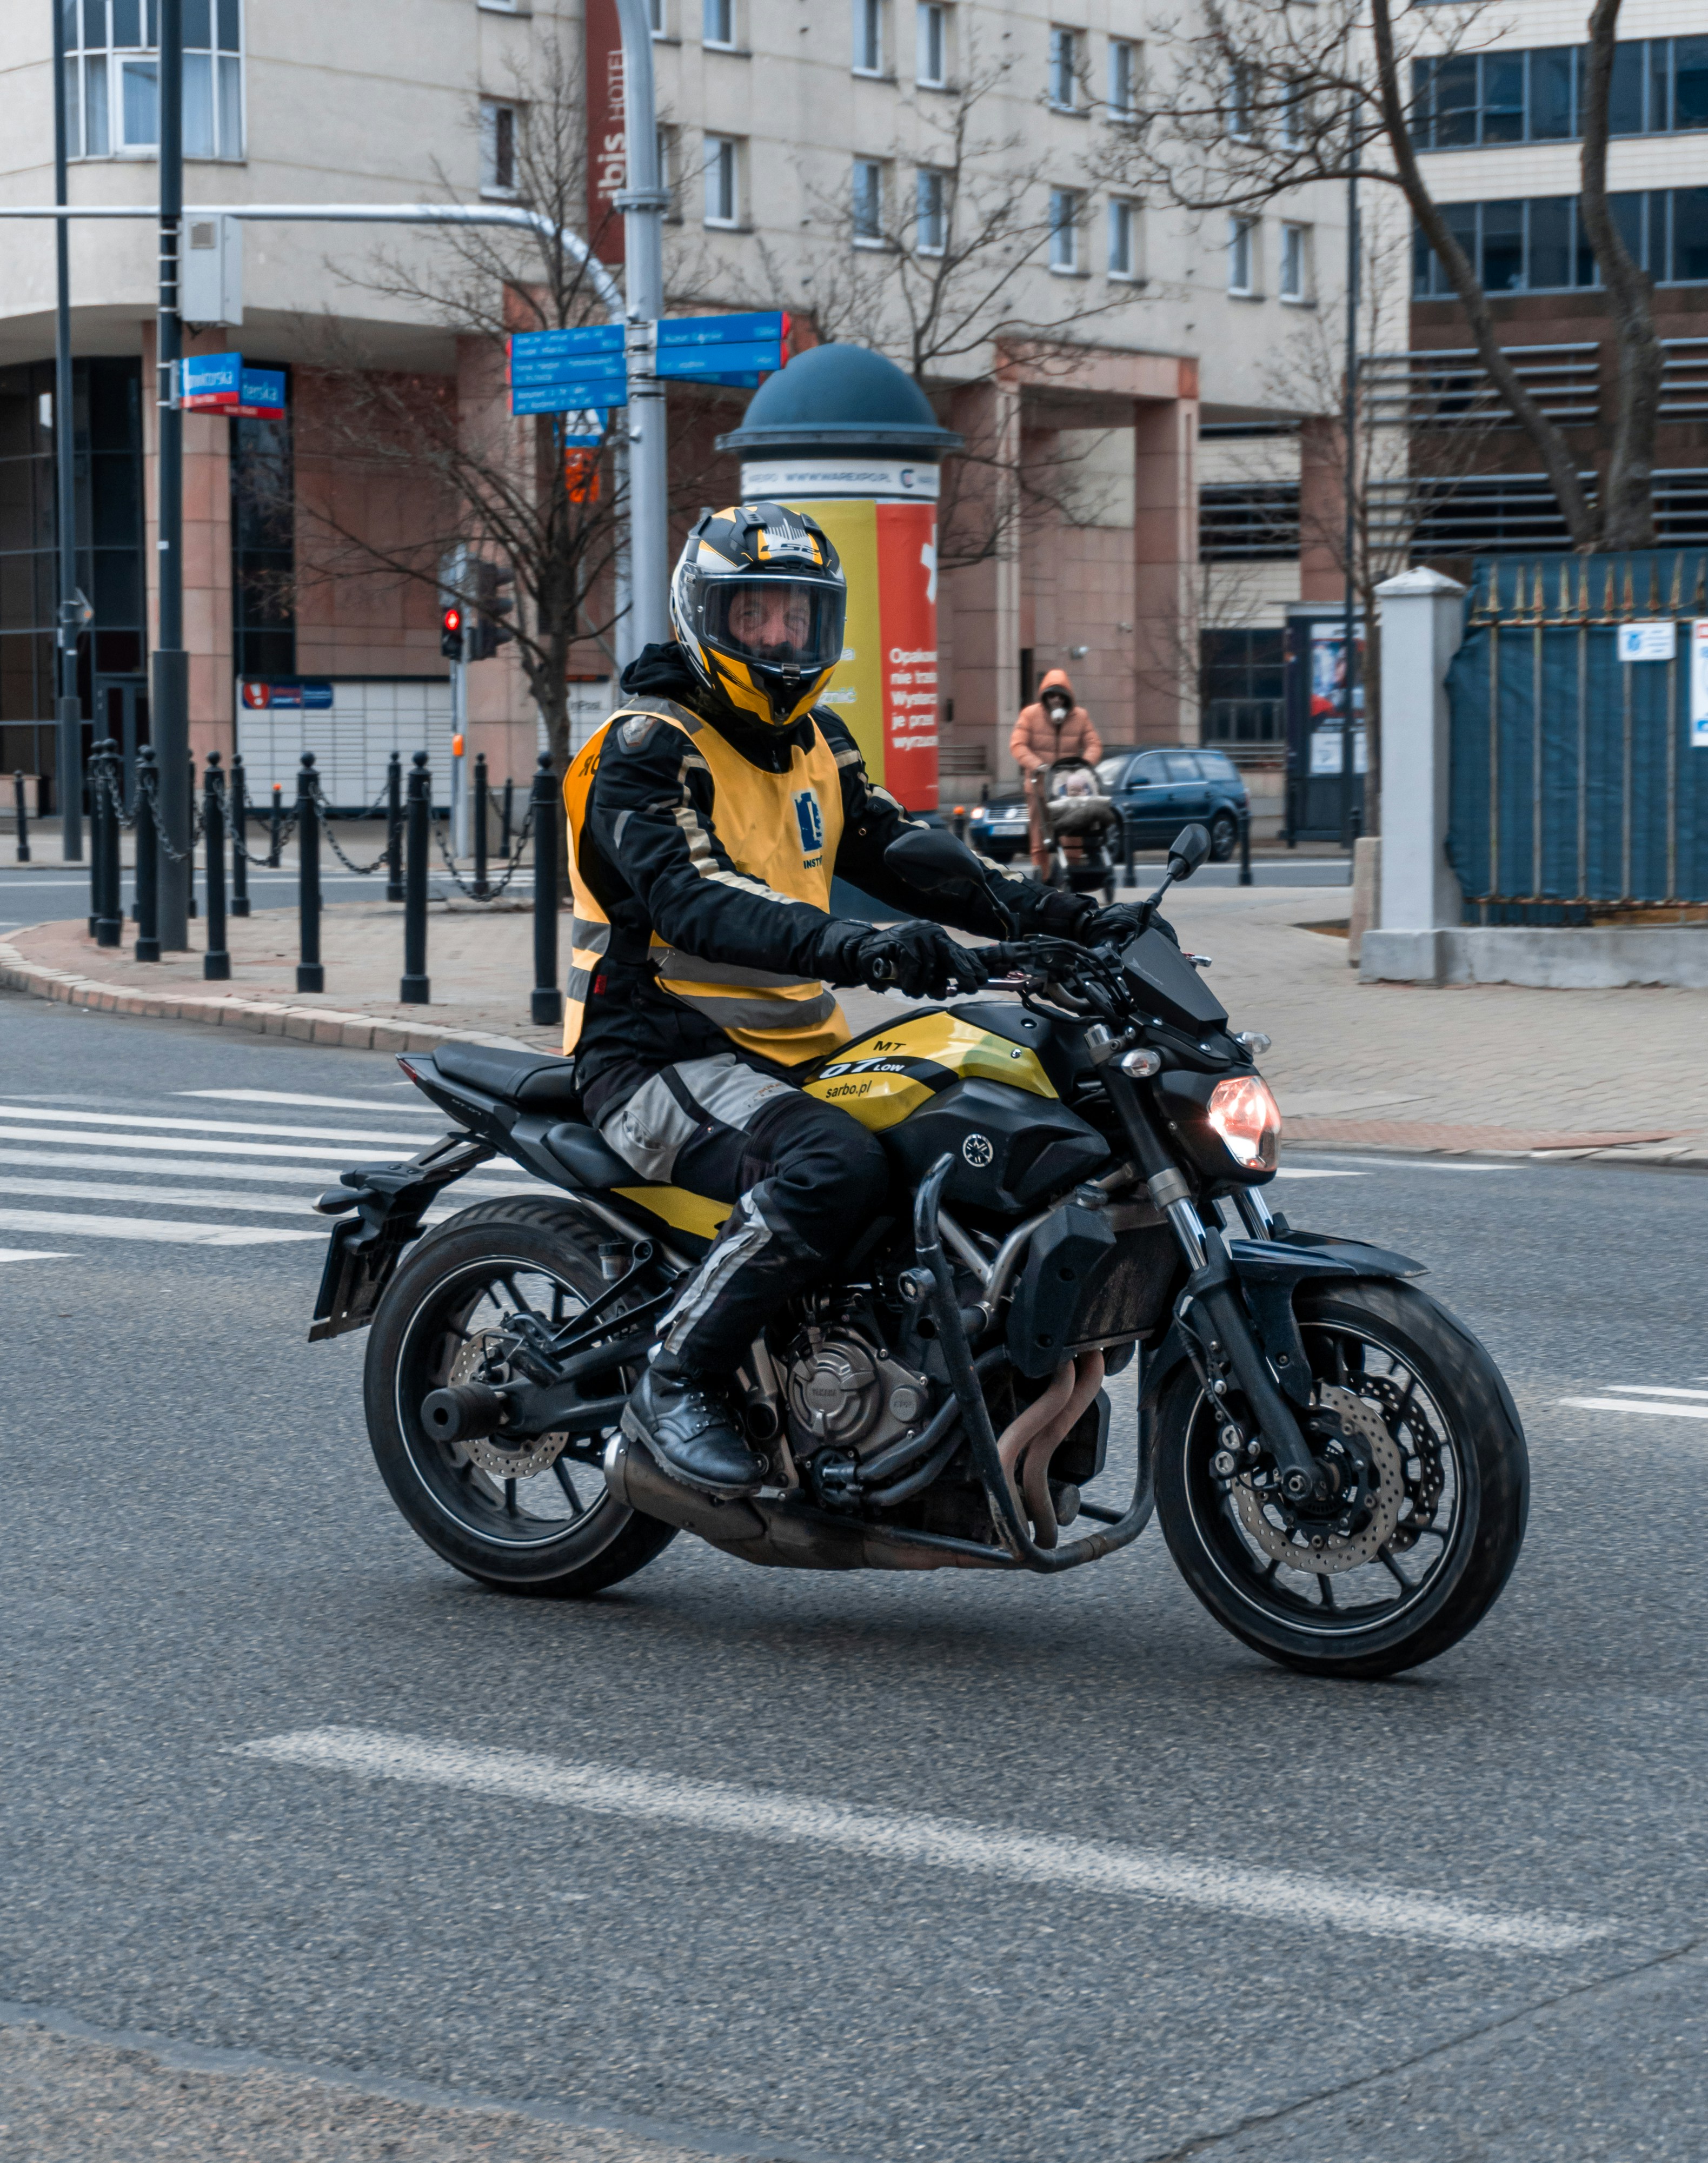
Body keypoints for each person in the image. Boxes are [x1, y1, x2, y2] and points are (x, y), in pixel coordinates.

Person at [561, 502, 1100, 1500]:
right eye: (754, 615)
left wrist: (1057, 916)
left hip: (791, 1052)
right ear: (703, 616)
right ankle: (675, 1376)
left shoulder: (819, 742)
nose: (776, 639)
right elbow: (691, 898)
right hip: (658, 1051)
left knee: (967, 1124)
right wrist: (866, 949)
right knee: (833, 1165)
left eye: (795, 619)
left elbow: (897, 856)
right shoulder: (640, 748)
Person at [1009, 667, 1103, 877]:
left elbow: (1094, 744)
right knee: (1040, 838)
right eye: (1052, 695)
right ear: (1045, 696)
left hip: (1069, 789)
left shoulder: (1080, 717)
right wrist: (1038, 766)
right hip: (1039, 787)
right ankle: (1042, 878)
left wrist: (1083, 766)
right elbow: (1018, 745)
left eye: (1061, 696)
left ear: (1068, 697)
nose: (1056, 700)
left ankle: (1073, 875)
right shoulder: (1030, 715)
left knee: (1073, 836)